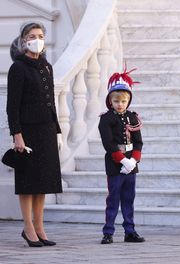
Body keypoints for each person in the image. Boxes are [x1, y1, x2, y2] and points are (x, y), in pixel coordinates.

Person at [6, 22, 63, 247]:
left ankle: (40, 227)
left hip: (47, 130)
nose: (36, 39)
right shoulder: (18, 68)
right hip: (28, 131)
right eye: (32, 35)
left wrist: (57, 130)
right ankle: (28, 227)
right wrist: (17, 135)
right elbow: (12, 106)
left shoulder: (47, 66)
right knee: (28, 181)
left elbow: (52, 102)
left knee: (43, 182)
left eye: (40, 35)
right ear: (23, 40)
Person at [98, 68, 145, 244]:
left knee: (128, 199)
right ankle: (108, 232)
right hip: (115, 164)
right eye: (116, 101)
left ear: (128, 101)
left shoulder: (133, 118)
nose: (120, 104)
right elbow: (108, 143)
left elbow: (138, 141)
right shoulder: (106, 119)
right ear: (110, 101)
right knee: (113, 199)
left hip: (131, 165)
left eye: (123, 101)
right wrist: (123, 160)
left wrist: (133, 160)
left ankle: (130, 231)